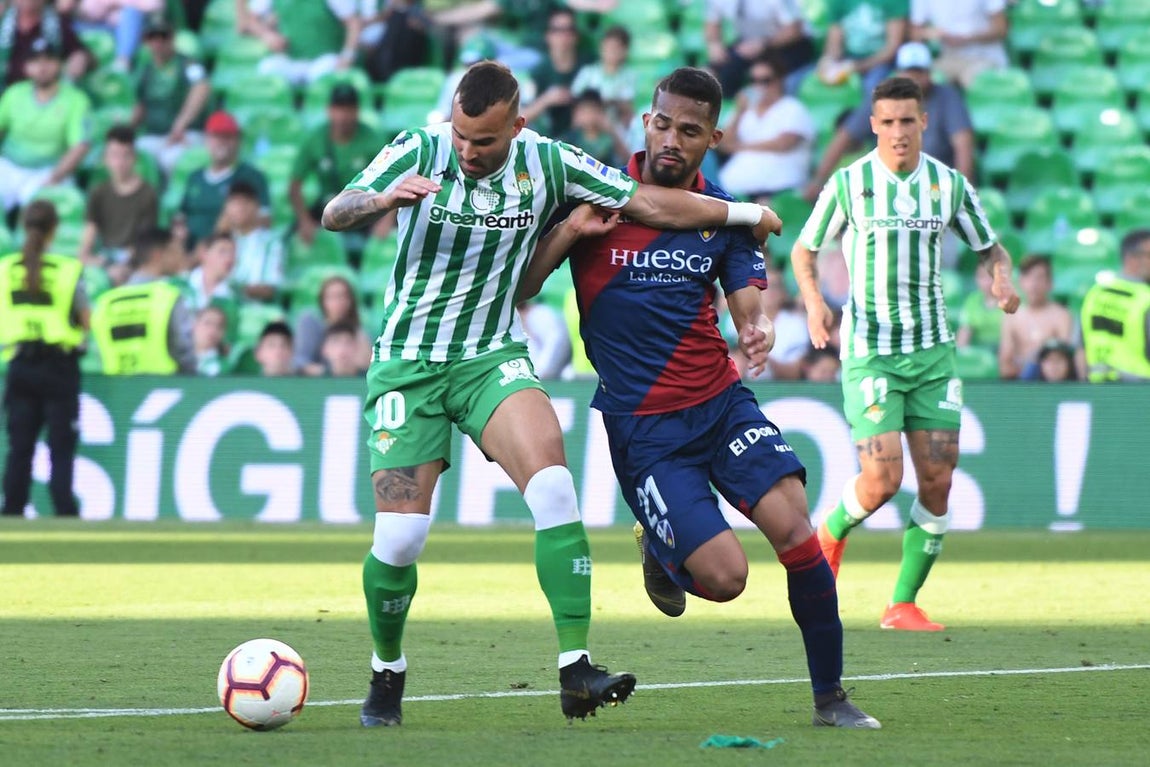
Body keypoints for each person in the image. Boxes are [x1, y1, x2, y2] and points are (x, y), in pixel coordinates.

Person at [321, 59, 780, 727]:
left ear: (518, 126)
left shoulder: (549, 162)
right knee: (400, 539)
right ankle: (387, 672)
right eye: (462, 136)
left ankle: (576, 671)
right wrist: (381, 200)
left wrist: (748, 212)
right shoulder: (418, 148)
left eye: (485, 140)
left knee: (555, 488)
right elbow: (337, 211)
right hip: (407, 363)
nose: (470, 152)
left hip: (490, 356)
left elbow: (647, 202)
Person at [521, 66, 879, 729]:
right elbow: (522, 287)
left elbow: (746, 292)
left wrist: (754, 324)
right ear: (645, 121)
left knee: (798, 531)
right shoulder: (597, 193)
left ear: (713, 136)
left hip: (720, 403)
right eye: (663, 124)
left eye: (690, 130)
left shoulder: (725, 216)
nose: (672, 140)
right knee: (725, 578)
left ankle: (830, 697)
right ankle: (660, 546)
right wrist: (570, 232)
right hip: (646, 428)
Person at [791, 76, 1020, 631]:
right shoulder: (849, 183)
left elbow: (991, 248)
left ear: (923, 122)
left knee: (939, 481)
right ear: (873, 125)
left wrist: (1002, 281)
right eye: (887, 122)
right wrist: (816, 302)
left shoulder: (948, 185)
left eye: (907, 121)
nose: (898, 132)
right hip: (871, 351)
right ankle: (830, 534)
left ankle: (903, 603)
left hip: (934, 355)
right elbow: (805, 249)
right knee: (883, 481)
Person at [0, 200, 87, 518]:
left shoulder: (5, 269)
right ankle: (64, 511)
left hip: (20, 363)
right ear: (54, 230)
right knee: (61, 448)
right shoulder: (68, 271)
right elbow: (85, 318)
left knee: (20, 447)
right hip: (58, 366)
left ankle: (11, 512)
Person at [804, 42, 974, 203]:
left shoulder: (946, 96)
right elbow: (845, 135)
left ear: (929, 74)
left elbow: (963, 142)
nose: (914, 78)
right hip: (887, 183)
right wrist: (819, 179)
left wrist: (961, 190)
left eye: (919, 72)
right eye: (909, 72)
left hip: (933, 181)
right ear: (898, 73)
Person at [0, 36, 92, 216]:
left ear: (60, 64)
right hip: (9, 166)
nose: (42, 67)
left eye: (49, 60)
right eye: (35, 61)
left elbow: (80, 146)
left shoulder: (76, 100)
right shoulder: (14, 93)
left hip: (48, 171)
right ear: (26, 67)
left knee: (45, 213)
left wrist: (54, 178)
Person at [90, 227, 196, 375]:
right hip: (162, 388)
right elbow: (183, 349)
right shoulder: (168, 297)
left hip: (115, 389)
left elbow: (97, 350)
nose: (181, 256)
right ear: (159, 254)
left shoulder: (107, 301)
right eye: (175, 251)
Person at [289, 83, 382, 248]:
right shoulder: (316, 139)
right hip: (327, 207)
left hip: (362, 209)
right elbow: (295, 185)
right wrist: (304, 221)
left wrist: (385, 221)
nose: (343, 116)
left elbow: (395, 179)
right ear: (329, 111)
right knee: (291, 236)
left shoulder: (371, 141)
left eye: (349, 109)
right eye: (339, 109)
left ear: (357, 111)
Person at [717, 54, 815, 201]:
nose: (759, 86)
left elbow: (784, 143)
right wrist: (739, 112)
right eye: (753, 81)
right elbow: (723, 144)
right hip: (734, 191)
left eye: (765, 81)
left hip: (779, 192)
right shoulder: (743, 110)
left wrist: (738, 146)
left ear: (780, 80)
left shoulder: (792, 107)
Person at [131, 11, 211, 175]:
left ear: (172, 37)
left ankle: (171, 199)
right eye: (153, 36)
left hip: (187, 134)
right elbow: (139, 108)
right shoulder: (145, 71)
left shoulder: (188, 64)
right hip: (155, 136)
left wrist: (180, 125)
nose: (158, 41)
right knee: (131, 154)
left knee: (171, 158)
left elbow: (202, 87)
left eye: (163, 35)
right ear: (146, 40)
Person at [177, 110, 270, 250]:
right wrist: (179, 231)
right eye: (216, 136)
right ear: (207, 140)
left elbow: (265, 220)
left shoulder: (251, 176)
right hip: (190, 249)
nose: (222, 142)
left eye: (228, 137)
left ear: (238, 141)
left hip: (229, 249)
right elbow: (181, 215)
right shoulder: (194, 177)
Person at [78, 125, 159, 285]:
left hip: (133, 261)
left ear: (135, 158)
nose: (120, 162)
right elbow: (87, 242)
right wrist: (102, 263)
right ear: (105, 159)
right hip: (105, 258)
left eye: (125, 155)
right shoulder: (98, 192)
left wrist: (124, 266)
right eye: (114, 155)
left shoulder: (147, 193)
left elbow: (144, 242)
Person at [704, 0, 817, 96]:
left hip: (789, 44)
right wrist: (715, 44)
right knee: (709, 73)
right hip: (748, 42)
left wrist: (762, 44)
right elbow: (712, 23)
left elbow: (795, 30)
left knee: (768, 77)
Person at [1080, 229, 1150, 383]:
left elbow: (1080, 348)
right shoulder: (1146, 298)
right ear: (1132, 259)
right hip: (1141, 392)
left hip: (1098, 389)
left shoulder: (1095, 293)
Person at [240, 0, 362, 87]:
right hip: (291, 59)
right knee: (267, 68)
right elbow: (251, 20)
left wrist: (347, 56)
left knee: (323, 75)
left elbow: (354, 23)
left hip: (323, 60)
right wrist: (267, 35)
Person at [997, 256, 1073, 380]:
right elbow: (1005, 363)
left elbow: (1064, 362)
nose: (1033, 284)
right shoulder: (1011, 316)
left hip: (1052, 384)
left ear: (1049, 283)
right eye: (1028, 277)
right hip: (1020, 383)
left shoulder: (1061, 316)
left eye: (1039, 277)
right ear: (1021, 281)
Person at [909, 0, 1008, 89]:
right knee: (921, 82)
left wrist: (966, 39)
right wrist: (932, 33)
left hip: (984, 57)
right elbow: (916, 33)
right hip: (948, 57)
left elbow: (1001, 29)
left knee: (974, 81)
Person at [520, 7, 587, 136]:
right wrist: (546, 100)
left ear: (576, 35)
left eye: (569, 30)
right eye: (557, 30)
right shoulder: (539, 72)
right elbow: (521, 118)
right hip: (547, 141)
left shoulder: (587, 67)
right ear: (548, 35)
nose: (564, 36)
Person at [820, 0, 907, 99]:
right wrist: (828, 60)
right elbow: (834, 44)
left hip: (882, 61)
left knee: (871, 89)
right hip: (849, 57)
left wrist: (858, 66)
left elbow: (892, 47)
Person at [217, 180, 284, 303]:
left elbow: (270, 290)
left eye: (244, 202)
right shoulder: (221, 241)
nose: (239, 208)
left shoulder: (271, 242)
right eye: (234, 203)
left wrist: (234, 289)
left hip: (255, 310)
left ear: (256, 206)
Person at [292, 273, 372, 376]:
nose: (339, 302)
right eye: (332, 297)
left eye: (343, 296)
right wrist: (327, 372)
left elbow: (366, 366)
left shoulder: (357, 330)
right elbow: (300, 361)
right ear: (322, 301)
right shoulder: (310, 323)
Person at [0, 0, 93, 87]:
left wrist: (79, 59)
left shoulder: (58, 23)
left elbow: (81, 54)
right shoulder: (2, 20)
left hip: (48, 95)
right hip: (6, 93)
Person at [571, 24, 636, 128]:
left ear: (625, 51)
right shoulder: (588, 72)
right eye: (607, 46)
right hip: (586, 122)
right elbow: (575, 98)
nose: (610, 52)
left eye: (616, 48)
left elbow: (627, 106)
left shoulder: (630, 76)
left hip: (615, 125)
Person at [192, 304, 230, 376]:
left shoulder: (223, 366)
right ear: (193, 325)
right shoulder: (177, 357)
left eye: (219, 326)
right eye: (208, 323)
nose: (213, 330)